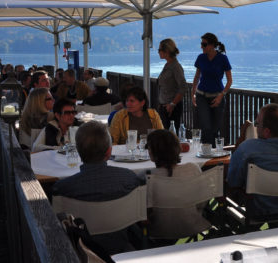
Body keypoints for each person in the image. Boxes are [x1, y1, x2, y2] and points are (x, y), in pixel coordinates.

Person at [53, 121, 144, 255]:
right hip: (122, 250)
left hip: (81, 253)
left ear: (78, 151)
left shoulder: (62, 189)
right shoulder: (130, 180)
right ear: (109, 152)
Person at [227, 103, 278, 219]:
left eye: (257, 124)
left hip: (257, 212)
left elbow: (233, 182)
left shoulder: (247, 149)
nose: (256, 126)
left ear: (266, 132)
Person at [145, 129, 207, 242]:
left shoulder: (147, 177)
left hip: (159, 230)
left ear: (152, 153)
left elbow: (144, 212)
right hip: (191, 225)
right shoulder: (193, 169)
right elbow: (202, 201)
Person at [191, 32, 232, 146]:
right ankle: (206, 154)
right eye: (201, 44)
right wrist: (192, 94)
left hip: (217, 97)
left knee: (215, 129)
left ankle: (213, 155)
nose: (201, 47)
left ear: (212, 45)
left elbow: (229, 81)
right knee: (206, 127)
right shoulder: (201, 58)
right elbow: (197, 77)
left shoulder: (222, 59)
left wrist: (221, 96)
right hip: (202, 96)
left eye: (204, 44)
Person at [156, 38, 186, 134]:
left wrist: (172, 104)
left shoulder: (175, 67)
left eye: (159, 50)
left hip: (171, 108)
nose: (158, 52)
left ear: (167, 51)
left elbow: (183, 87)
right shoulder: (168, 65)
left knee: (171, 136)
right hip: (164, 106)